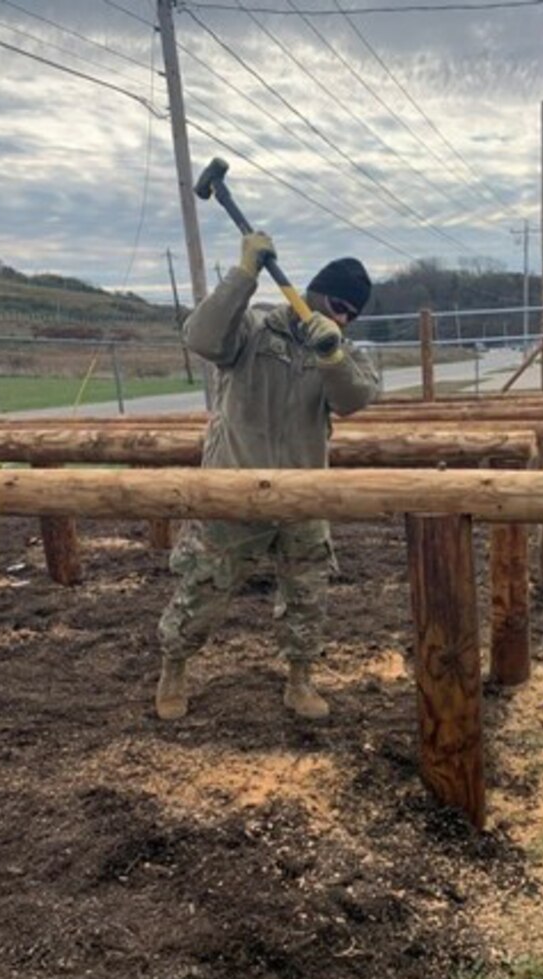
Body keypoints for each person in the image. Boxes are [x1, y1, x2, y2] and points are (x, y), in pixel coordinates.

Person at [155, 231, 379, 722]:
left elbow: (355, 399)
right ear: (313, 293)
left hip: (303, 494)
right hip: (235, 490)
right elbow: (200, 337)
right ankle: (174, 668)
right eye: (337, 305)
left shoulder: (337, 348)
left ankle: (300, 680)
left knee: (308, 596)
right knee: (203, 588)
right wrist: (244, 274)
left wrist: (332, 354)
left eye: (351, 315)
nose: (342, 317)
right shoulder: (252, 332)